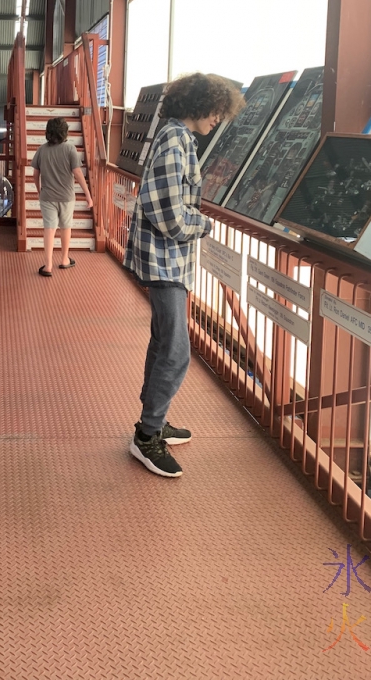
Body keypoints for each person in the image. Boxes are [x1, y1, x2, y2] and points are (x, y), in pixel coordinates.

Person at [124, 73, 244, 478]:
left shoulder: (174, 137)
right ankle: (147, 436)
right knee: (176, 351)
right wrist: (204, 224)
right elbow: (169, 215)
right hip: (164, 262)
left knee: (162, 342)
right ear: (199, 106)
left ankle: (151, 421)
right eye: (216, 111)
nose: (218, 120)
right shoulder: (176, 141)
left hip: (163, 260)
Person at [31, 116, 93, 277]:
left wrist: (39, 190)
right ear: (65, 132)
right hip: (66, 197)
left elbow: (35, 175)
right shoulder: (70, 149)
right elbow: (78, 173)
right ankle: (65, 259)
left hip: (47, 196)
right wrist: (88, 195)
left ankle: (48, 266)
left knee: (49, 229)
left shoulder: (41, 150)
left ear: (48, 132)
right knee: (66, 227)